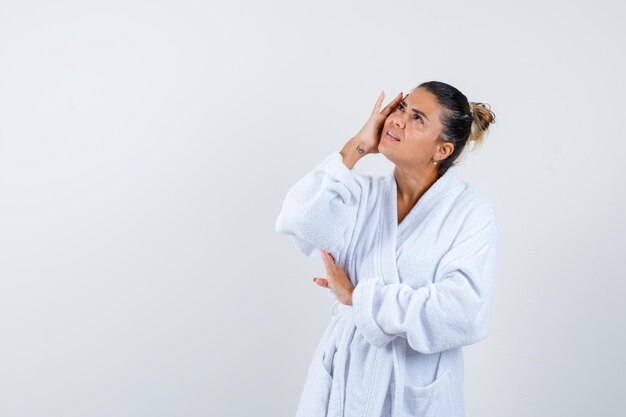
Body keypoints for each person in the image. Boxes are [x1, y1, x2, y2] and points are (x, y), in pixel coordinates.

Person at [275, 80, 498, 417]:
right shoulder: (361, 196)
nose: (397, 119)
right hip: (345, 383)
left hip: (413, 392)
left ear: (443, 150)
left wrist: (359, 298)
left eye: (418, 118)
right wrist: (359, 144)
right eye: (401, 108)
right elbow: (297, 218)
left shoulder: (468, 212)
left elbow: (463, 313)